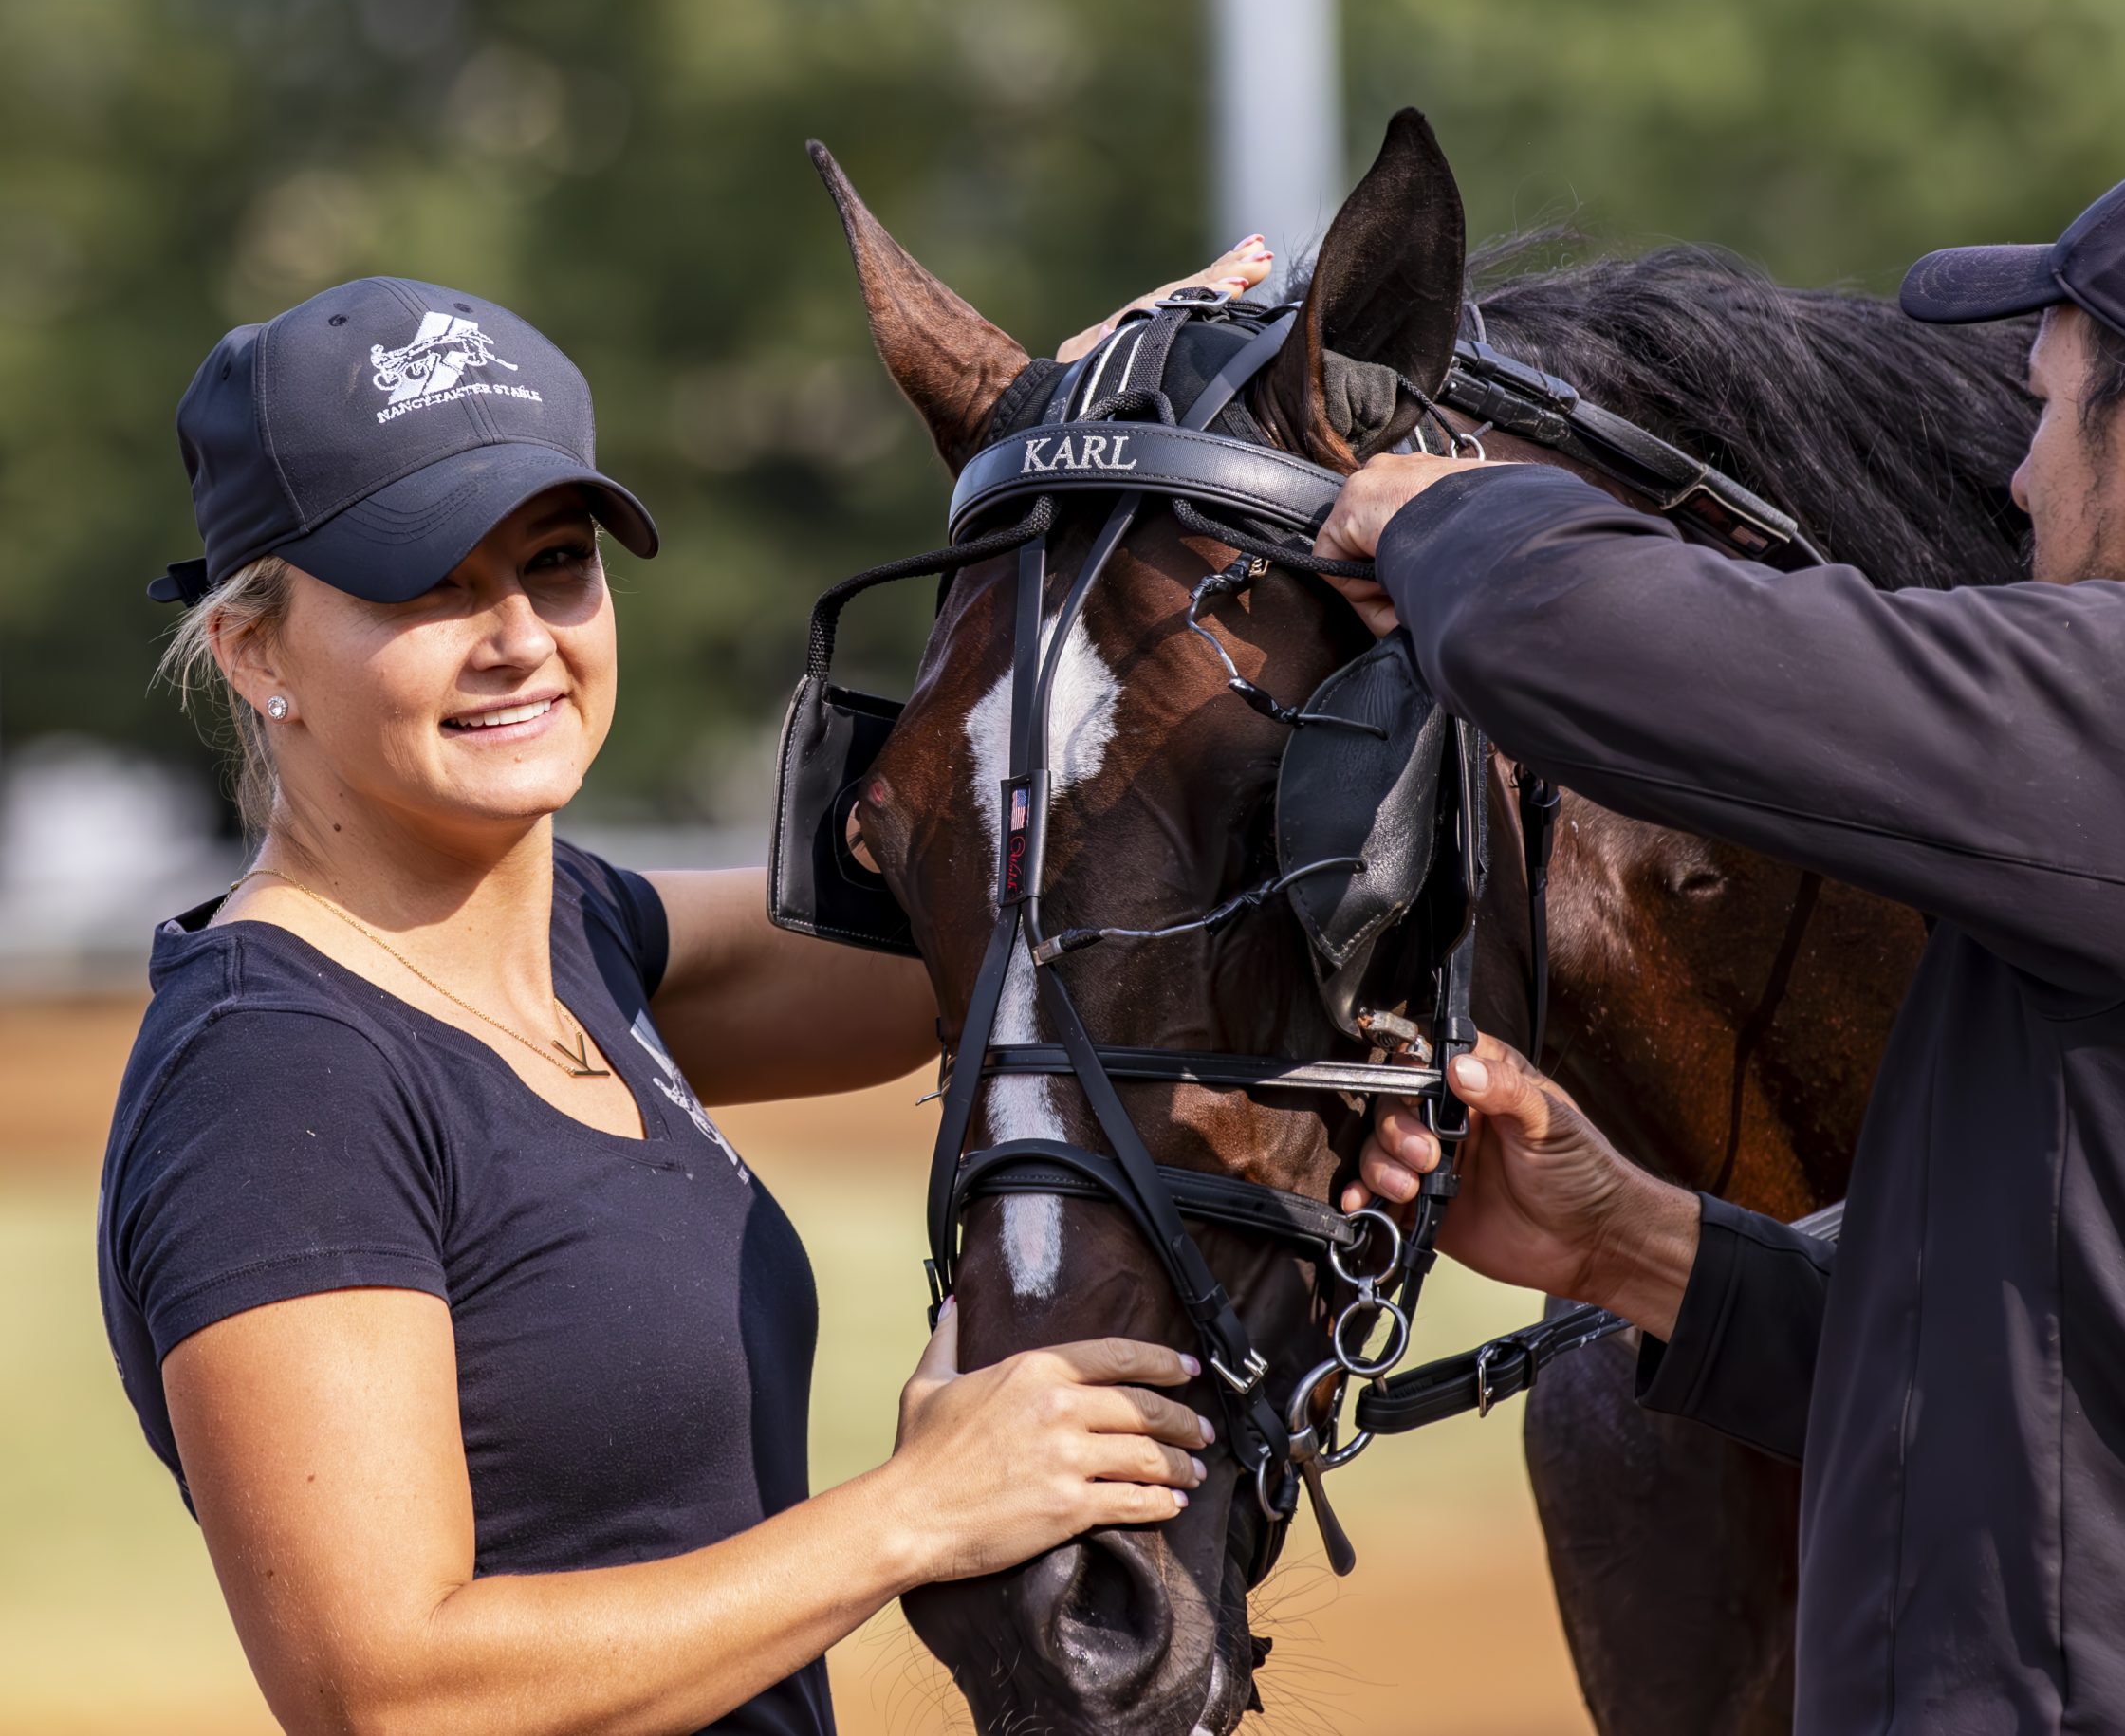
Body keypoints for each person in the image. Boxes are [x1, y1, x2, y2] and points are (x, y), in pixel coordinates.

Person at [1321, 120, 2125, 1731]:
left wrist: (1440, 514)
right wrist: (1626, 1242)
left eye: (2047, 406)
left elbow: (1637, 649)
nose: (2016, 475)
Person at [100, 248, 1266, 1736]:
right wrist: (918, 1511)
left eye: (556, 562)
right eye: (426, 584)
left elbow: (975, 949)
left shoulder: (579, 939)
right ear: (254, 646)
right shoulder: (275, 1074)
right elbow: (389, 1691)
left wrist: (1065, 435)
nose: (520, 636)